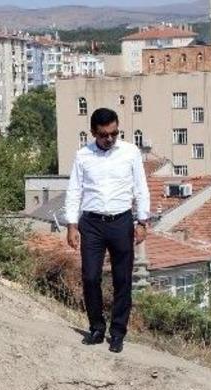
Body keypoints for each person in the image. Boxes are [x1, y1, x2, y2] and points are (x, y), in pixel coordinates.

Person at [65, 107, 149, 353]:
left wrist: (142, 221)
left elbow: (140, 188)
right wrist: (71, 225)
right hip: (91, 224)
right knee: (90, 277)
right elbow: (74, 191)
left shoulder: (130, 153)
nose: (109, 139)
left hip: (121, 221)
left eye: (114, 133)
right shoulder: (82, 156)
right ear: (93, 133)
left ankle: (118, 332)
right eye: (104, 135)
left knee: (122, 279)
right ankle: (97, 328)